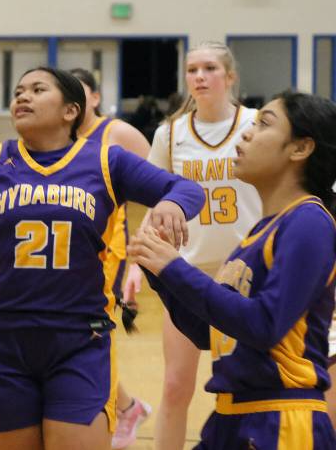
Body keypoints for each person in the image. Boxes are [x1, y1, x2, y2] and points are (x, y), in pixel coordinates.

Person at [0, 67, 204, 450]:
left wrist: (171, 203)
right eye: (18, 91)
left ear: (71, 110)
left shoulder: (107, 162)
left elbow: (186, 188)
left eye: (37, 89)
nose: (22, 96)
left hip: (77, 338)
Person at [130, 90, 336, 449]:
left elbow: (263, 324)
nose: (247, 133)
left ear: (301, 148)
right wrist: (158, 269)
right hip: (233, 417)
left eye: (264, 124)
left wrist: (175, 267)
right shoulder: (260, 231)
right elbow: (208, 333)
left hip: (281, 420)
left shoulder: (309, 221)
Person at [148, 42, 263, 450]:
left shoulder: (258, 125)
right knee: (176, 386)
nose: (199, 76)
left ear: (230, 77)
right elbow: (154, 203)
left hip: (247, 275)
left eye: (210, 68)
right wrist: (134, 266)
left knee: (241, 386)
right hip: (188, 273)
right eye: (192, 69)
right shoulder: (170, 133)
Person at [69, 68, 153, 450]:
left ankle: (111, 416)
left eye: (79, 91)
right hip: (71, 250)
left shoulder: (116, 133)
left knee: (97, 331)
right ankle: (127, 406)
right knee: (78, 332)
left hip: (111, 249)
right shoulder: (61, 136)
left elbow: (159, 182)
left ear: (96, 97)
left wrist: (140, 257)